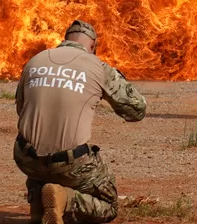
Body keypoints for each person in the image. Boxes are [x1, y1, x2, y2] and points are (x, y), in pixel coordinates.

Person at [14, 20, 146, 224]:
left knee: (37, 143)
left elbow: (21, 109)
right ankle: (64, 198)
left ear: (65, 40)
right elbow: (137, 110)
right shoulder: (98, 67)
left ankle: (39, 201)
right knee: (109, 207)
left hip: (27, 158)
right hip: (71, 164)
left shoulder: (35, 61)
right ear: (92, 45)